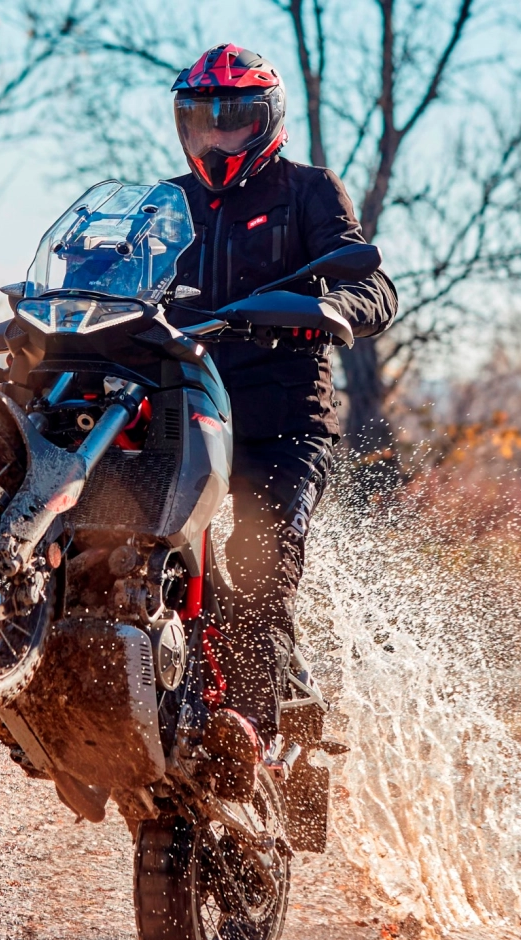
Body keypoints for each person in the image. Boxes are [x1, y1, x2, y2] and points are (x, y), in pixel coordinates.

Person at [164, 44, 398, 790]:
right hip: (181, 413)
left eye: (233, 119)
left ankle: (260, 734)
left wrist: (328, 308)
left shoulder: (307, 192)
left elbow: (373, 285)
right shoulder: (164, 204)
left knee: (258, 566)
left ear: (265, 122)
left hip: (280, 424)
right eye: (201, 120)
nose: (216, 136)